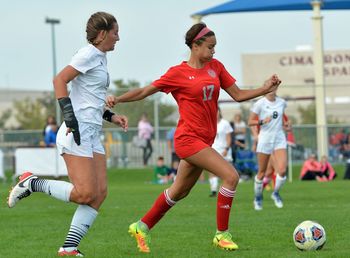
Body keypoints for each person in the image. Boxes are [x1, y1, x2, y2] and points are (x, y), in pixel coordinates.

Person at [106, 22, 281, 252]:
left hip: (204, 140)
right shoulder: (177, 73)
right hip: (188, 140)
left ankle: (142, 226)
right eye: (210, 46)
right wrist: (118, 99)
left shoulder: (215, 67)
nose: (214, 51)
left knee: (179, 192)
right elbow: (144, 91)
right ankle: (222, 234)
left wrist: (264, 88)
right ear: (195, 46)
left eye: (215, 46)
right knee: (231, 176)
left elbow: (237, 95)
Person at [7, 12, 128, 257]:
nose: (118, 37)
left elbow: (88, 98)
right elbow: (59, 80)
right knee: (84, 193)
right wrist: (68, 116)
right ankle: (32, 183)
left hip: (92, 133)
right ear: (103, 34)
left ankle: (69, 248)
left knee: (99, 193)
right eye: (115, 32)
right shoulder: (88, 54)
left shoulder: (101, 57)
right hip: (77, 131)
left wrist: (110, 116)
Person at [248, 88, 289, 211]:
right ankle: (258, 197)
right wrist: (261, 122)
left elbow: (283, 118)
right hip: (265, 139)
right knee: (262, 172)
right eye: (269, 88)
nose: (271, 90)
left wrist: (287, 124)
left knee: (282, 170)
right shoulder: (259, 103)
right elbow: (250, 122)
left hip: (279, 138)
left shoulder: (282, 102)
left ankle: (275, 193)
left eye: (273, 88)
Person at [209, 107, 233, 197]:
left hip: (224, 150)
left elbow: (229, 137)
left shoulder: (225, 123)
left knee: (227, 172)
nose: (215, 113)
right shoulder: (209, 123)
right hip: (214, 149)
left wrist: (226, 149)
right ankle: (214, 190)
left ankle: (227, 191)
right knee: (212, 170)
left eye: (217, 111)